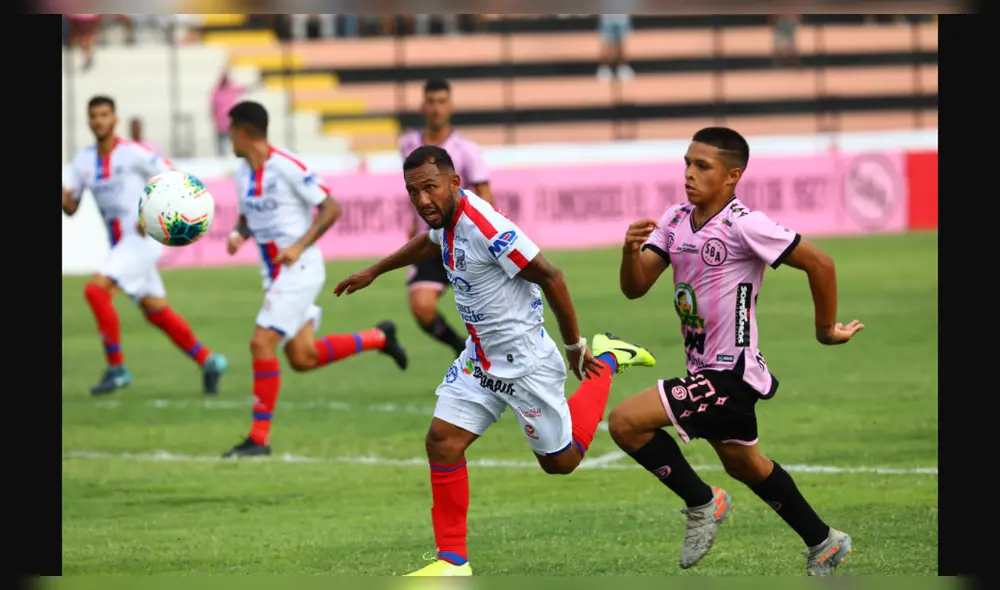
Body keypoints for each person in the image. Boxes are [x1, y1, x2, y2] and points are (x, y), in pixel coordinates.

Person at [334, 146, 657, 577]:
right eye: (413, 191)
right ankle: (452, 562)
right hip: (481, 357)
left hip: (525, 361)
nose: (422, 200)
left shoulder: (486, 226)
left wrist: (576, 345)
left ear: (454, 183)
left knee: (560, 463)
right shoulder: (445, 221)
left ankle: (609, 360)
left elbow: (552, 276)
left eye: (430, 188)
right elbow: (428, 243)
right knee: (442, 441)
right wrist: (375, 270)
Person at [609, 127, 864, 576]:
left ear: (732, 176)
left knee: (625, 423)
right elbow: (636, 288)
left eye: (702, 166)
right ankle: (823, 540)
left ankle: (702, 502)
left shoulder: (745, 224)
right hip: (705, 368)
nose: (689, 174)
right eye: (687, 163)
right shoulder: (674, 219)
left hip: (730, 372)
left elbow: (820, 263)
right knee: (746, 465)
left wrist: (825, 330)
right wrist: (630, 253)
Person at [222, 101, 408, 459]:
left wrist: (298, 246)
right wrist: (237, 233)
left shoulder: (288, 166)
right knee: (302, 357)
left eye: (230, 130)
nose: (228, 137)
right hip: (273, 275)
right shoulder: (241, 174)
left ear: (242, 131)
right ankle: (379, 337)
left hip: (300, 269)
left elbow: (332, 208)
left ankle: (258, 439)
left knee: (261, 344)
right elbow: (249, 217)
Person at [62, 95, 228, 396]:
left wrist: (152, 213)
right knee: (155, 311)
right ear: (88, 121)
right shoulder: (83, 161)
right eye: (94, 116)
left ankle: (117, 368)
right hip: (119, 245)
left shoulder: (134, 153)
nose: (99, 120)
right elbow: (70, 207)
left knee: (95, 291)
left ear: (115, 119)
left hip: (141, 240)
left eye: (104, 115)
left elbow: (173, 177)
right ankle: (209, 361)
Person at [398, 78, 493, 357]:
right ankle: (460, 349)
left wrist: (484, 234)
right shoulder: (408, 144)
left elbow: (485, 193)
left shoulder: (466, 149)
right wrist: (413, 223)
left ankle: (493, 362)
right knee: (422, 307)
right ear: (422, 105)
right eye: (431, 102)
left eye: (441, 102)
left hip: (466, 240)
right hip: (430, 240)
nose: (436, 108)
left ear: (450, 106)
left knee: (487, 313)